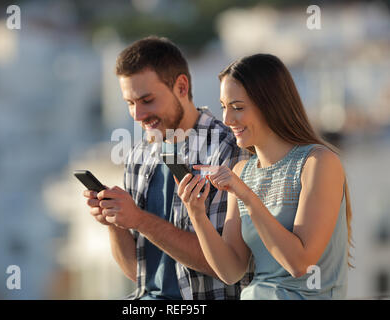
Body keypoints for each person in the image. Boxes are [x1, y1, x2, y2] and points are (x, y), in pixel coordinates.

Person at [83, 36, 252, 300]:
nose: (137, 115)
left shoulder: (227, 151)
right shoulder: (139, 155)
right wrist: (114, 222)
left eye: (147, 100)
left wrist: (139, 220)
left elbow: (226, 266)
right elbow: (139, 274)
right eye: (130, 103)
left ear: (181, 87)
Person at [176, 53, 353, 299]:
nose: (227, 120)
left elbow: (300, 264)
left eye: (237, 108)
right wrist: (196, 213)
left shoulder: (319, 163)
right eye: (223, 108)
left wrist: (246, 196)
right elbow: (231, 270)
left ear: (271, 104)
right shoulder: (242, 172)